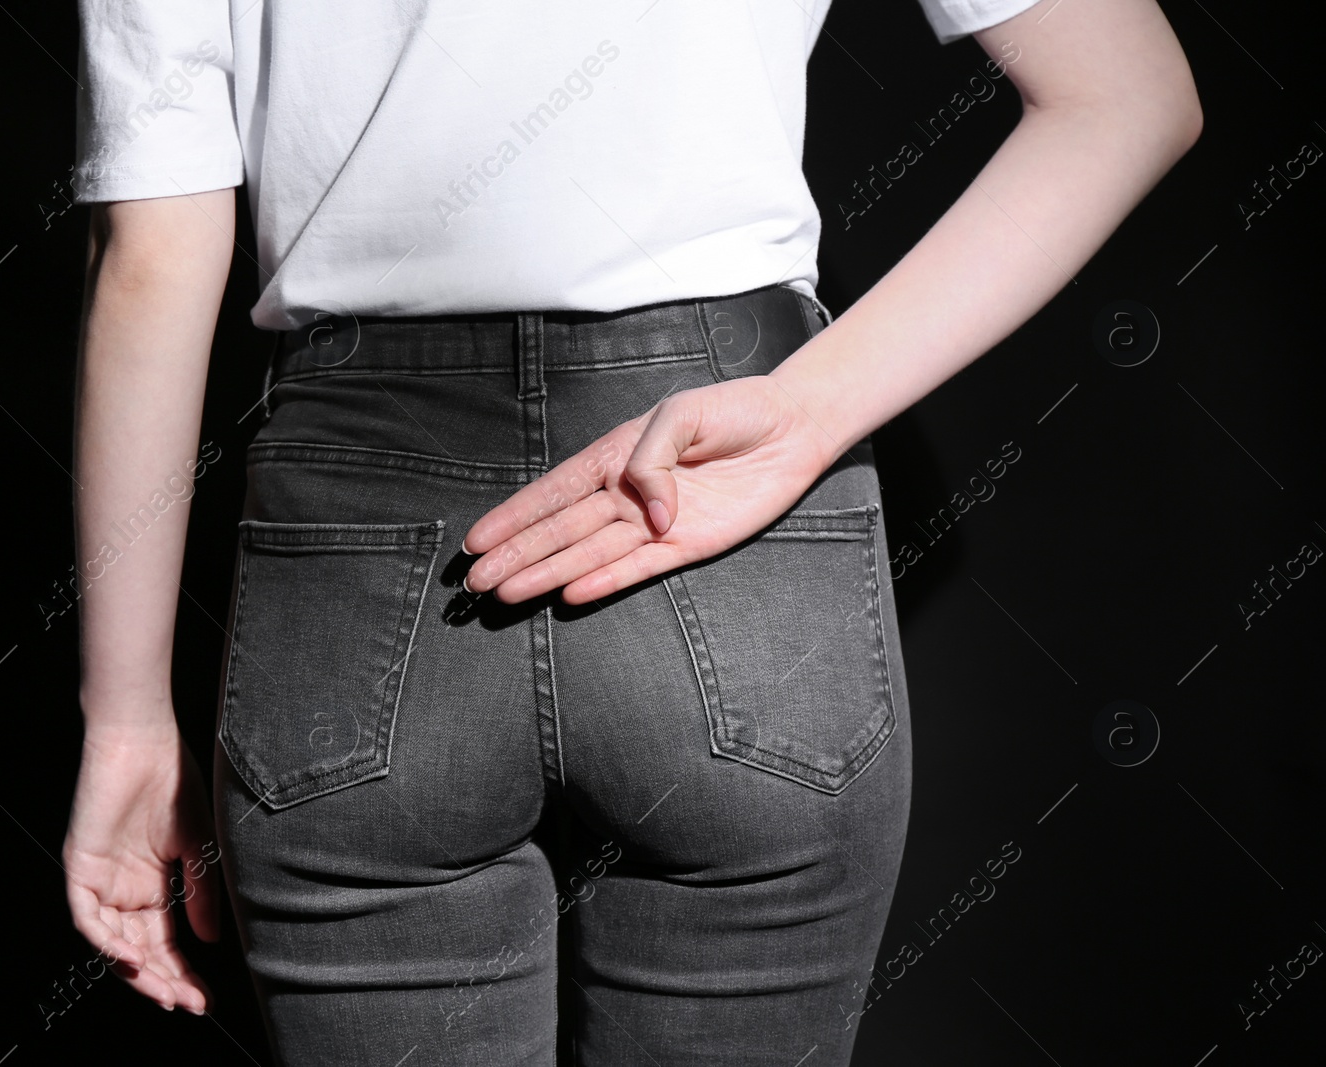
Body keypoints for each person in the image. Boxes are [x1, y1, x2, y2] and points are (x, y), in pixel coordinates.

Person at [59, 0, 1201, 1062]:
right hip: (727, 511)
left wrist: (124, 724)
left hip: (363, 553)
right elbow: (1127, 93)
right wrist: (804, 414)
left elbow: (152, 262)